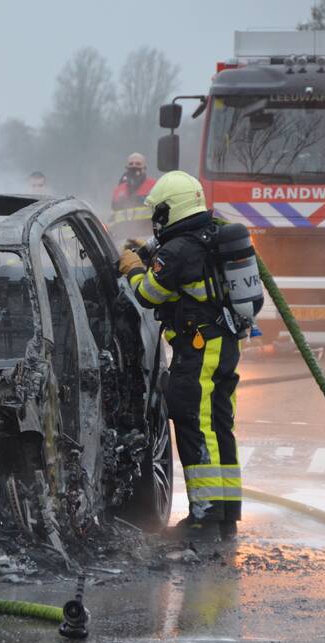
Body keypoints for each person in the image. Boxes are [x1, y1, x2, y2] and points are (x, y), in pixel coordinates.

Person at [117, 171, 242, 542]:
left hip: (199, 348)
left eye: (159, 212)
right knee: (219, 425)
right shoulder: (209, 235)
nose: (156, 219)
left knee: (193, 421)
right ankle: (226, 516)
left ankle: (203, 521)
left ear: (173, 209)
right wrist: (152, 253)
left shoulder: (177, 251)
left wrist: (134, 268)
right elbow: (186, 287)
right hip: (223, 342)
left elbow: (148, 295)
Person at [108, 153, 157, 244]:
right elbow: (113, 217)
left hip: (147, 239)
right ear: (127, 167)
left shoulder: (154, 186)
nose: (134, 166)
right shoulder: (118, 190)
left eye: (138, 164)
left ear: (144, 167)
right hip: (123, 240)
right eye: (131, 164)